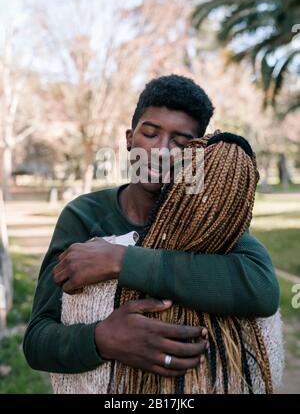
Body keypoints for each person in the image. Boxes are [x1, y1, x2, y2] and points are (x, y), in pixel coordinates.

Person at [23, 75, 279, 385]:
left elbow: (262, 288)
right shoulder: (84, 215)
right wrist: (103, 338)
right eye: (150, 133)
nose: (161, 150)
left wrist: (120, 261)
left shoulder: (207, 220)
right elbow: (37, 341)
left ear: (196, 154)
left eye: (180, 142)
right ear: (130, 139)